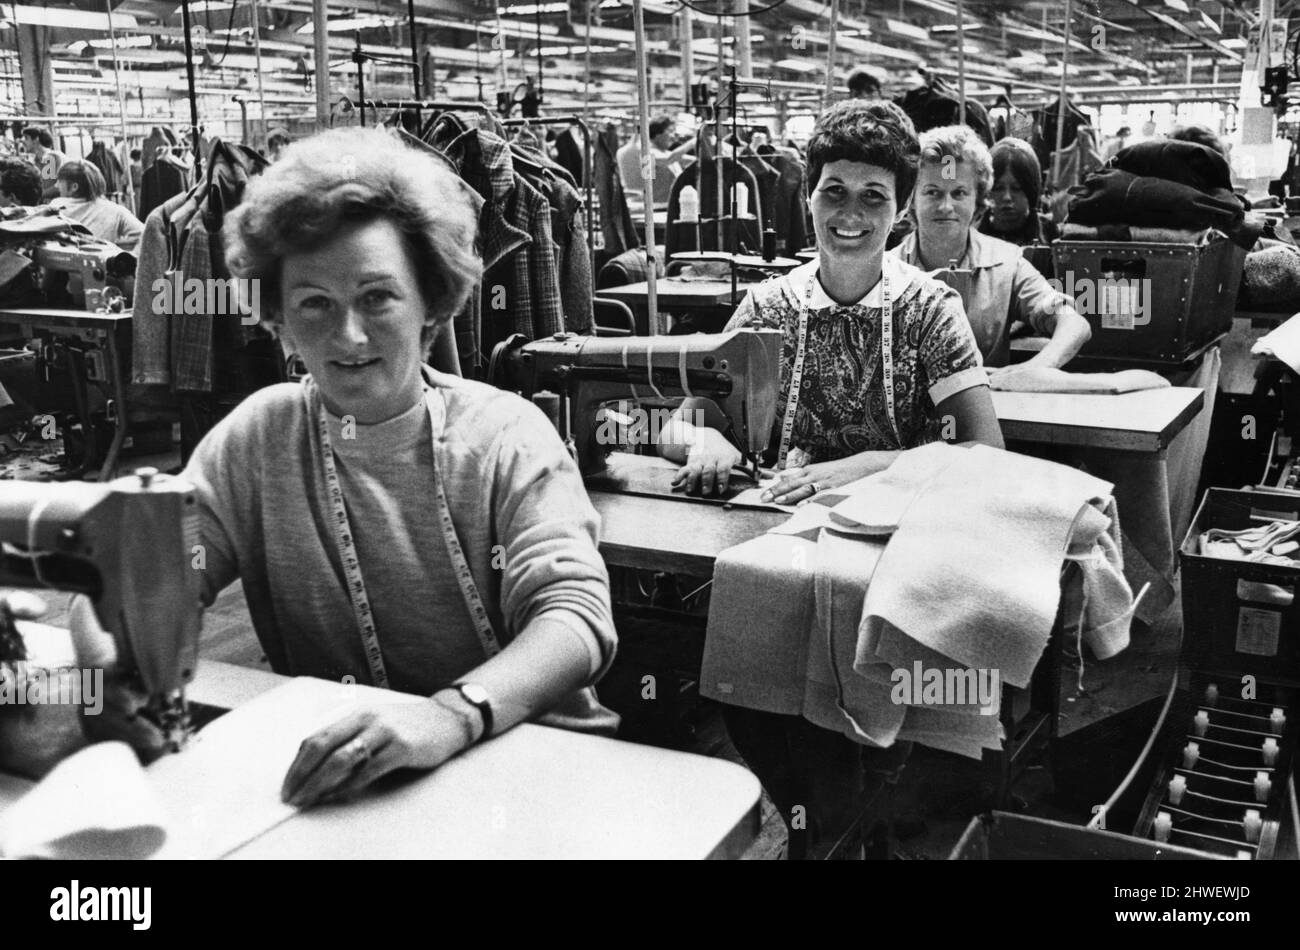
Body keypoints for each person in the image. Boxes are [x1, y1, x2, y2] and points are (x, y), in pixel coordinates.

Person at [71, 127, 620, 808]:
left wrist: (453, 713)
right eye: (315, 305)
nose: (349, 335)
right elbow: (143, 576)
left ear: (433, 302)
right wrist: (109, 662)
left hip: (539, 773)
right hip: (358, 785)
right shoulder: (258, 438)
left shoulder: (507, 435)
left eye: (377, 297)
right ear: (277, 317)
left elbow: (574, 620)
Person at [659, 100, 1005, 858]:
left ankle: (834, 830)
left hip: (885, 558)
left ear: (901, 206)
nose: (851, 214)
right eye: (833, 192)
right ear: (807, 196)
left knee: (850, 727)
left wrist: (850, 469)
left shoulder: (928, 311)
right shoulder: (767, 306)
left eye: (873, 197)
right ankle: (831, 829)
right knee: (756, 703)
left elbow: (982, 450)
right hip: (777, 546)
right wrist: (704, 444)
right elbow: (679, 423)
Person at [894, 125, 1091, 374]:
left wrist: (1035, 368)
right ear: (910, 199)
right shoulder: (885, 271)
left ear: (978, 201)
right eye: (932, 192)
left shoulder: (1007, 264)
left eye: (959, 193)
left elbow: (1073, 323)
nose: (946, 206)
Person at [979, 137, 1057, 246]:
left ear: (1032, 193)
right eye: (998, 188)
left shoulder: (1049, 234)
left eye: (1016, 189)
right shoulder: (972, 238)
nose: (1007, 197)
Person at [52, 160, 145, 252]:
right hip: (103, 264)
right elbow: (146, 234)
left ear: (74, 187)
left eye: (59, 182)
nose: (56, 186)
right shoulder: (115, 211)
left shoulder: (55, 208)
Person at [617, 114, 695, 207]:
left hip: (669, 205)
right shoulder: (646, 153)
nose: (673, 136)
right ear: (658, 134)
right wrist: (693, 142)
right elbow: (668, 160)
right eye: (670, 131)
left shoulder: (664, 152)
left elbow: (688, 160)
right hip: (655, 208)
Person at [22, 126, 65, 201]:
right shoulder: (37, 160)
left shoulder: (50, 157)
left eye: (26, 138)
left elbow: (51, 188)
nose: (23, 141)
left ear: (36, 139)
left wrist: (32, 196)